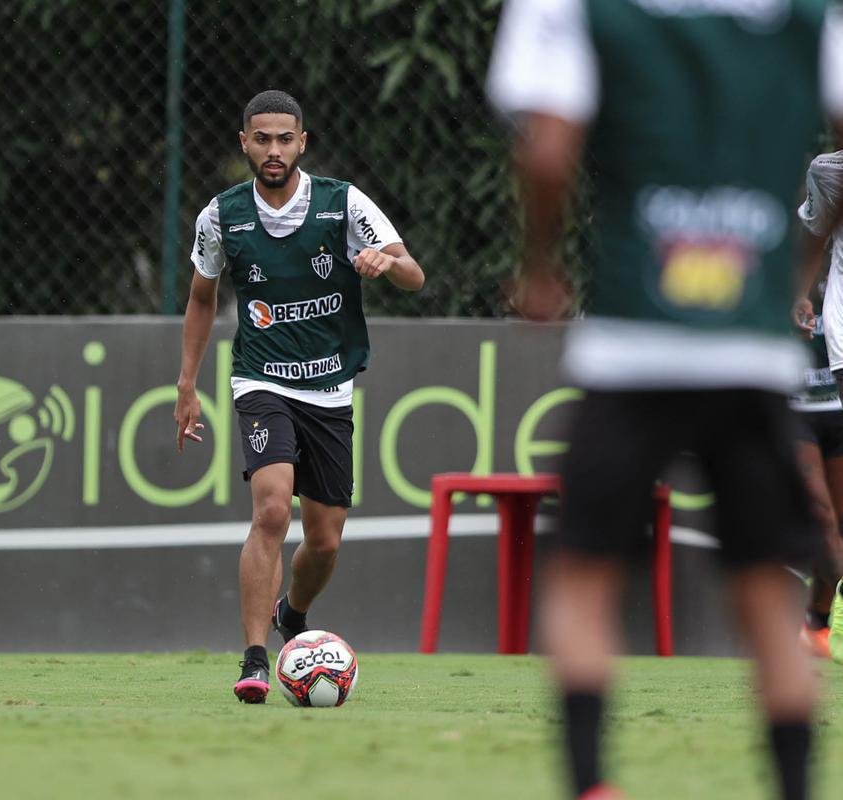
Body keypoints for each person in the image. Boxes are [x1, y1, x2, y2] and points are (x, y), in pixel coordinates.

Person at [487, 1, 843, 798]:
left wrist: (538, 265)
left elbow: (547, 155)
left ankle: (592, 786)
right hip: (749, 353)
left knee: (582, 576)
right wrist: (798, 262)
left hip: (629, 348)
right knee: (760, 588)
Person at [174, 89, 424, 703]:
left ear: (302, 142)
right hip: (260, 379)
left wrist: (383, 264)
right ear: (244, 143)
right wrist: (186, 384)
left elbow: (414, 275)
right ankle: (256, 658)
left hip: (329, 386)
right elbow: (202, 298)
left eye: (285, 138)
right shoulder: (221, 217)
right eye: (262, 138)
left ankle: (293, 612)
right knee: (271, 510)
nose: (274, 149)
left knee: (325, 539)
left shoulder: (343, 205)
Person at [793, 152, 843, 663]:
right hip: (800, 407)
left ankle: (817, 624)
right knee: (824, 518)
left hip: (834, 410)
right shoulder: (829, 172)